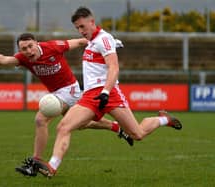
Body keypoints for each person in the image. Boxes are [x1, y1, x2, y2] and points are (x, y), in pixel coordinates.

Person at [30, 6, 183, 178]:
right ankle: (52, 167)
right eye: (77, 28)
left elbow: (114, 67)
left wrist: (106, 91)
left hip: (109, 95)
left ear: (92, 22)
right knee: (64, 126)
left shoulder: (103, 39)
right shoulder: (91, 41)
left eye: (82, 27)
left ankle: (163, 118)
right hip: (89, 96)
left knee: (138, 134)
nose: (81, 31)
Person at [0, 32, 133, 176]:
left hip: (70, 90)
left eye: (30, 46)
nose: (27, 51)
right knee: (82, 124)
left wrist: (108, 43)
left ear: (36, 43)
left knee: (41, 119)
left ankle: (35, 163)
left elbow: (80, 41)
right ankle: (117, 127)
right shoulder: (24, 58)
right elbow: (5, 60)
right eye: (23, 49)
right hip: (56, 93)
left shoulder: (53, 47)